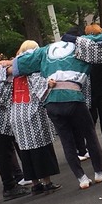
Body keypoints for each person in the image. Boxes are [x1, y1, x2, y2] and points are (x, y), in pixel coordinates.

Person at [6, 28, 102, 190]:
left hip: (52, 103)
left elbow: (16, 66)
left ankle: (82, 179)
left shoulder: (44, 52)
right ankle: (99, 172)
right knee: (90, 134)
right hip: (73, 96)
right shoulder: (80, 46)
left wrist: (6, 64)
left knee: (67, 141)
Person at [9, 40, 61, 195]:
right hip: (32, 113)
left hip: (16, 113)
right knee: (41, 148)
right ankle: (47, 182)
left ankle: (35, 184)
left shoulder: (13, 70)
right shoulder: (32, 67)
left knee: (26, 152)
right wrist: (50, 84)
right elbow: (40, 89)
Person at [0, 65, 31, 201]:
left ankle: (10, 185)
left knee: (3, 154)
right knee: (3, 154)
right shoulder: (1, 80)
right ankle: (9, 187)